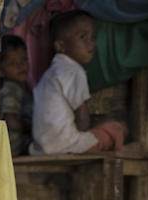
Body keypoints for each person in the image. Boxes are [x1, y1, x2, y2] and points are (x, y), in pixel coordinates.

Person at [29, 10, 128, 155]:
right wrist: (86, 136)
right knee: (118, 129)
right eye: (83, 37)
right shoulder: (73, 70)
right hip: (66, 145)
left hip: (41, 147)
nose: (91, 43)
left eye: (93, 37)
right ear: (61, 46)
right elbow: (82, 115)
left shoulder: (50, 73)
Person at [0, 34, 33, 156]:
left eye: (23, 60)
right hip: (13, 149)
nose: (20, 66)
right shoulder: (11, 88)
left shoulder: (21, 87)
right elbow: (11, 120)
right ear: (1, 70)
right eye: (12, 63)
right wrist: (31, 129)